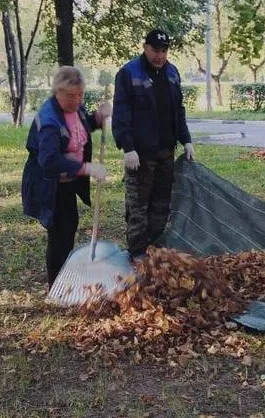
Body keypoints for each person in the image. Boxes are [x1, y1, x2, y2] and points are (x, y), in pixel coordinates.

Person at [21, 66, 112, 287]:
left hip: (67, 183)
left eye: (80, 94)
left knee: (69, 226)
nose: (77, 100)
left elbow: (83, 125)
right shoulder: (49, 119)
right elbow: (49, 161)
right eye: (71, 95)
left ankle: (65, 279)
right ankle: (56, 286)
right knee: (59, 235)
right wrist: (86, 168)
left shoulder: (75, 109)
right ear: (57, 92)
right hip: (50, 185)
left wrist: (98, 117)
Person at [112, 29, 194, 260]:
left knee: (161, 205)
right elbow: (121, 114)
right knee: (138, 208)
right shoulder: (129, 73)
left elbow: (178, 110)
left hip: (166, 152)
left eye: (164, 51)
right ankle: (137, 256)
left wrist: (186, 139)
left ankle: (155, 253)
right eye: (156, 50)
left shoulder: (172, 73)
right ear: (145, 47)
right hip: (140, 155)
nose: (160, 55)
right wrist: (127, 148)